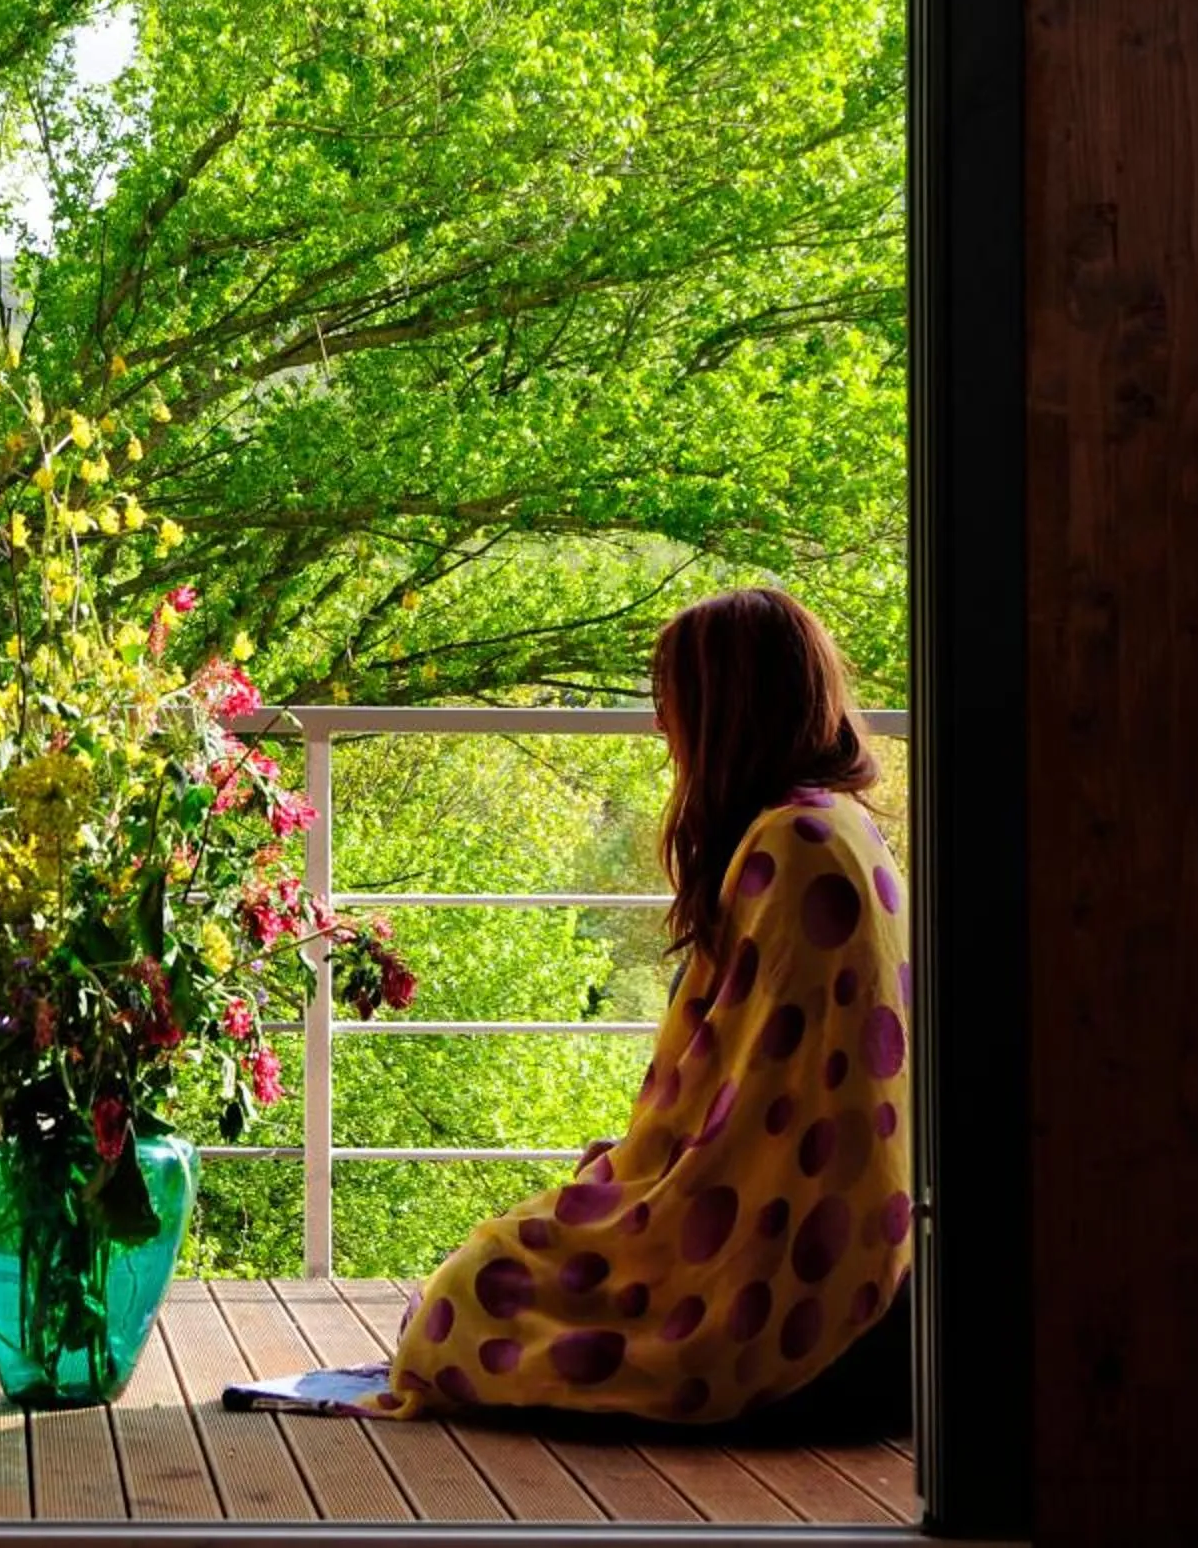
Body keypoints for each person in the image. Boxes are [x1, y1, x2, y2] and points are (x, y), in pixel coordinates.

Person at [364, 587, 913, 1431]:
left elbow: (743, 1116)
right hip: (849, 1242)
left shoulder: (795, 848)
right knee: (503, 1263)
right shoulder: (834, 829)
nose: (663, 729)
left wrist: (632, 1180)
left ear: (728, 709)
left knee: (473, 1290)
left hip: (794, 1276)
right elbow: (750, 1077)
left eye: (674, 704)